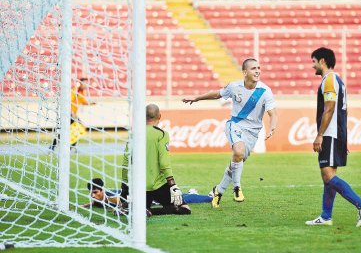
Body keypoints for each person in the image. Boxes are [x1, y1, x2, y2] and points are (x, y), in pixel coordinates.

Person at [182, 58, 278, 208]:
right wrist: (197, 98)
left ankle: (218, 191)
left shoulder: (265, 91)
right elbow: (217, 94)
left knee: (236, 161)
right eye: (253, 68)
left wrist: (272, 126)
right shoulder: (234, 86)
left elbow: (273, 114)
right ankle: (237, 187)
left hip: (252, 133)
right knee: (238, 151)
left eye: (259, 68)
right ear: (245, 72)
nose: (258, 71)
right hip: (235, 125)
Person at [305, 47, 361, 227]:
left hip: (330, 134)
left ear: (322, 61)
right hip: (336, 134)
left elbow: (330, 108)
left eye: (314, 62)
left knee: (328, 175)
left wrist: (320, 135)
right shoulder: (338, 81)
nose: (312, 66)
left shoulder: (329, 80)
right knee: (327, 175)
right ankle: (326, 216)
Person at [120, 104, 191, 215]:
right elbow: (164, 163)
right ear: (159, 116)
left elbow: (126, 162)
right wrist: (173, 185)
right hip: (159, 186)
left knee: (132, 206)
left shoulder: (133, 135)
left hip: (139, 186)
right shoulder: (162, 134)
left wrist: (125, 187)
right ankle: (151, 211)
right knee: (185, 209)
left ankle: (141, 209)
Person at [83, 178, 210, 215]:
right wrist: (88, 204)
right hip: (144, 197)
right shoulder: (98, 200)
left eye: (95, 192)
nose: (93, 195)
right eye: (92, 193)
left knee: (181, 199)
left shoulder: (112, 197)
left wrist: (120, 209)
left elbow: (120, 201)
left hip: (148, 197)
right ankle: (192, 193)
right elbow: (98, 202)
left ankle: (209, 197)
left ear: (102, 190)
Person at [50, 78, 95, 152]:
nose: (86, 85)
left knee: (75, 129)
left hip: (72, 114)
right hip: (69, 114)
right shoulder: (75, 90)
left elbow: (83, 102)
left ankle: (64, 147)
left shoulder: (82, 92)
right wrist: (72, 112)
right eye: (85, 83)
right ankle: (58, 146)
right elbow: (68, 101)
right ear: (80, 83)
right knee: (78, 128)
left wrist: (91, 103)